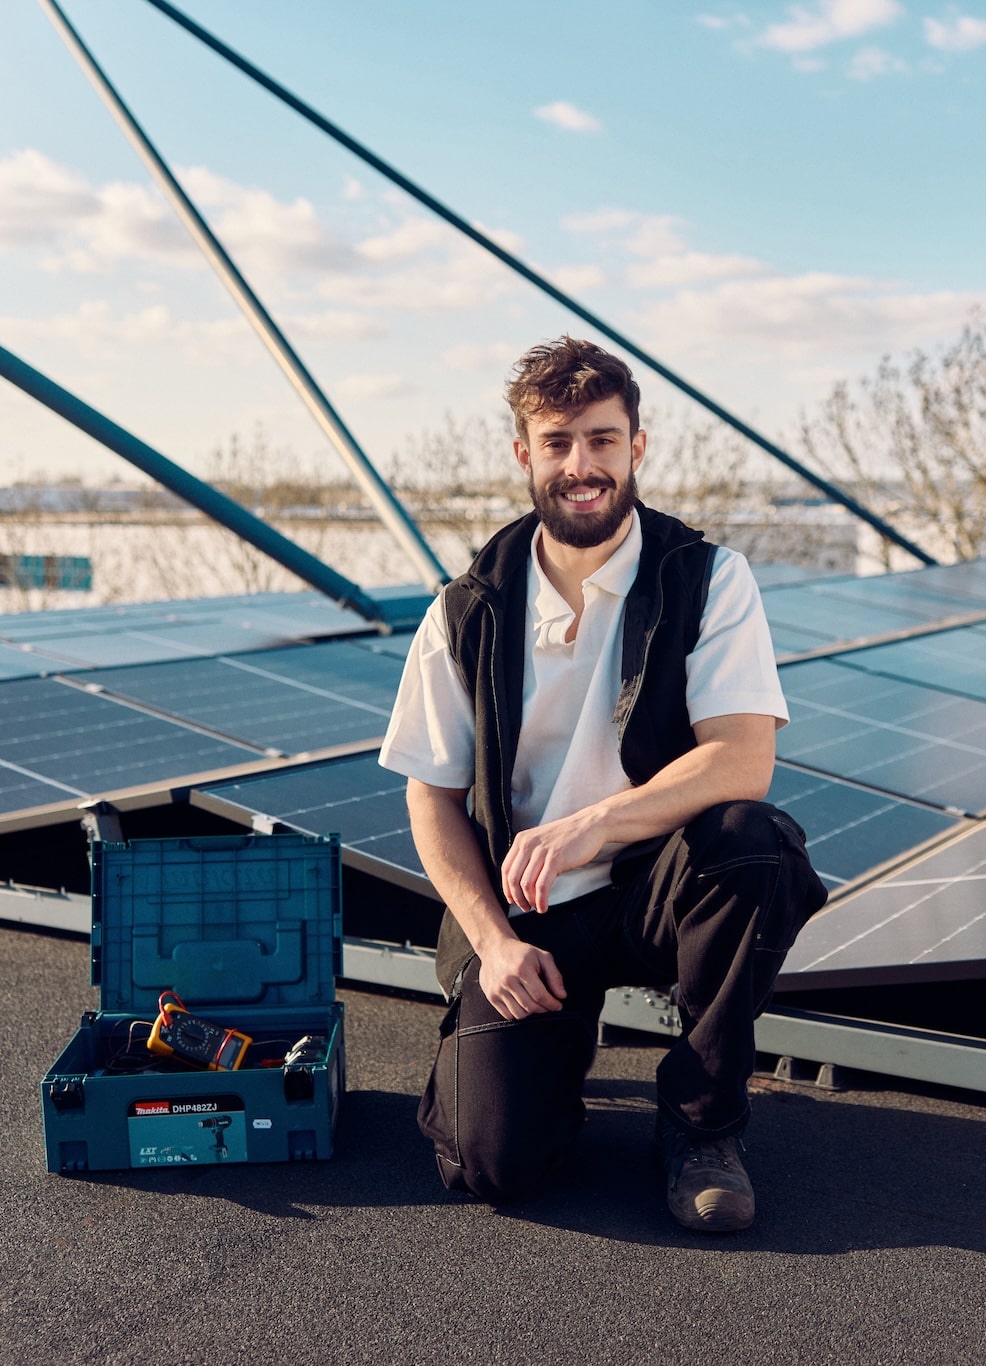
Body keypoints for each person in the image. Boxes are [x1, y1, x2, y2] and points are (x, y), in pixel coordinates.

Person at [378, 336, 824, 1233]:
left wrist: (593, 828)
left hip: (658, 888)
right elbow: (430, 796)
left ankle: (703, 1125)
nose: (581, 465)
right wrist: (493, 942)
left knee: (753, 845)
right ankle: (548, 1047)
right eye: (558, 442)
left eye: (602, 440)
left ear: (637, 448)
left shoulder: (705, 579)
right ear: (524, 456)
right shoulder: (468, 608)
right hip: (530, 914)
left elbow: (742, 759)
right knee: (490, 1165)